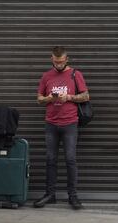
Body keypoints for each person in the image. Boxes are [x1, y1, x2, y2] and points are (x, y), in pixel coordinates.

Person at [33, 46, 89, 210]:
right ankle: (50, 195)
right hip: (51, 124)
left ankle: (73, 196)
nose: (58, 64)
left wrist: (69, 97)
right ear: (52, 59)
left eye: (61, 61)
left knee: (70, 160)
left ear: (67, 59)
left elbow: (86, 95)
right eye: (56, 62)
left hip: (70, 124)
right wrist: (48, 98)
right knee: (50, 160)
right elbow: (38, 99)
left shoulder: (75, 74)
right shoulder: (46, 76)